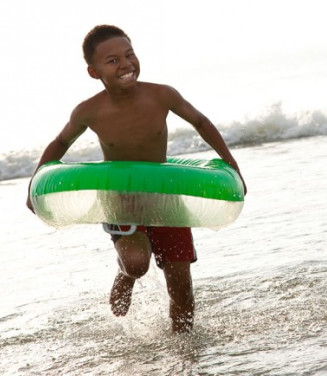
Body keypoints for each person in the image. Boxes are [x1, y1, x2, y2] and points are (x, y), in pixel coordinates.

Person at [26, 24, 246, 332]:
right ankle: (125, 274)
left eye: (129, 55)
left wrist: (230, 164)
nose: (126, 64)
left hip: (166, 196)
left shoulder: (161, 95)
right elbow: (60, 143)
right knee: (137, 264)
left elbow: (200, 121)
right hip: (123, 198)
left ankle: (184, 351)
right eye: (113, 60)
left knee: (181, 286)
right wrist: (35, 183)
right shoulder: (90, 111)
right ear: (94, 72)